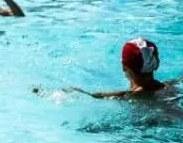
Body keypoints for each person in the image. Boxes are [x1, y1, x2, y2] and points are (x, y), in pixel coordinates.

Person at [42, 38, 179, 100]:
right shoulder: (171, 86)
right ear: (157, 63)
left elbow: (93, 96)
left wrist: (48, 92)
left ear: (123, 66)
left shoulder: (129, 96)